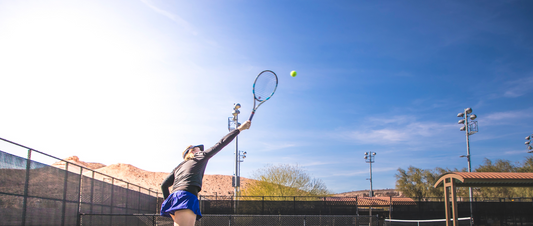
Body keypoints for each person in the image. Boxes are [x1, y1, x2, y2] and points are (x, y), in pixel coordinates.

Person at [160, 120, 251, 226]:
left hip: (185, 197)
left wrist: (170, 204)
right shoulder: (199, 157)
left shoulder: (178, 167)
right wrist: (239, 129)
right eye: (198, 148)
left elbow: (164, 185)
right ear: (192, 151)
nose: (201, 150)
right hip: (185, 196)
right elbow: (220, 144)